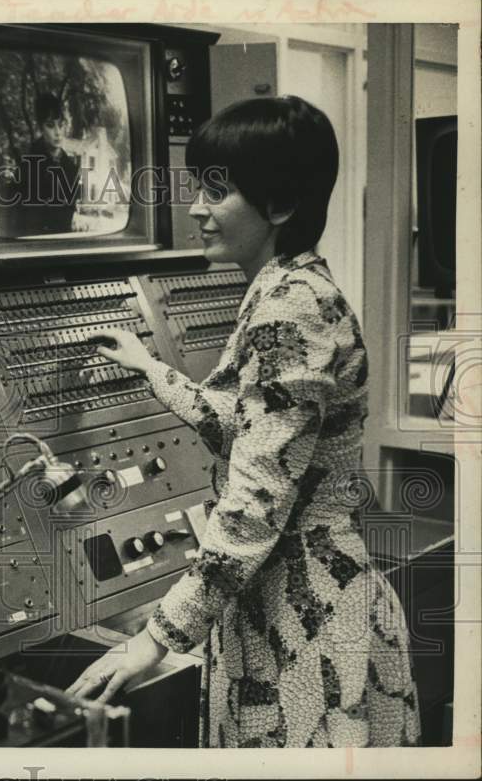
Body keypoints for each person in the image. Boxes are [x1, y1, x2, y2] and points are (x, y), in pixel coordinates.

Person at [67, 96, 421, 748]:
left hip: (309, 621)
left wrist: (157, 637)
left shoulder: (292, 307)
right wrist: (153, 367)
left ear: (280, 204)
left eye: (217, 191)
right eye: (199, 187)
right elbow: (249, 424)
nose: (197, 207)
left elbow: (255, 503)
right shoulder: (285, 284)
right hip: (283, 609)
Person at [17, 93, 81, 235]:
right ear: (40, 128)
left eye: (61, 125)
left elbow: (71, 209)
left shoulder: (70, 167)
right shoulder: (28, 167)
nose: (58, 132)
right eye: (50, 126)